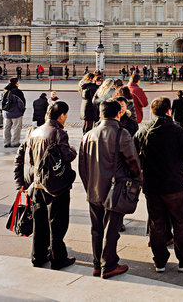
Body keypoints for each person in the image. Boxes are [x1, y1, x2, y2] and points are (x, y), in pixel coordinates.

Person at [134, 97, 183, 273]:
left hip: (152, 185)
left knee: (157, 223)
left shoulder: (142, 132)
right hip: (175, 185)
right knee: (180, 222)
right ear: (169, 111)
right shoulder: (178, 131)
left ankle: (160, 261)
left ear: (152, 112)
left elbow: (134, 157)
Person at [79, 100, 142, 279]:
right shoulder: (122, 134)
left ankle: (97, 264)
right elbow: (133, 162)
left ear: (100, 114)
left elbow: (82, 167)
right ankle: (109, 265)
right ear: (118, 114)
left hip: (94, 188)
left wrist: (89, 186)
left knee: (97, 228)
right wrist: (138, 180)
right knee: (112, 229)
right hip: (116, 188)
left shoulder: (88, 135)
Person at [14, 101, 77, 269]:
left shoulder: (35, 132)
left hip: (37, 183)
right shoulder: (58, 133)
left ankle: (38, 256)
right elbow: (67, 156)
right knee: (58, 222)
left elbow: (30, 159)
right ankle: (58, 258)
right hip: (55, 185)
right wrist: (73, 150)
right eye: (66, 115)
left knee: (40, 222)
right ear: (62, 115)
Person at [2, 78, 26, 148]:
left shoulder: (5, 91)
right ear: (16, 83)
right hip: (16, 113)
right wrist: (22, 110)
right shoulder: (17, 91)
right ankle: (15, 142)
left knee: (6, 128)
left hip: (6, 113)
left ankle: (6, 142)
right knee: (16, 127)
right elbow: (21, 103)